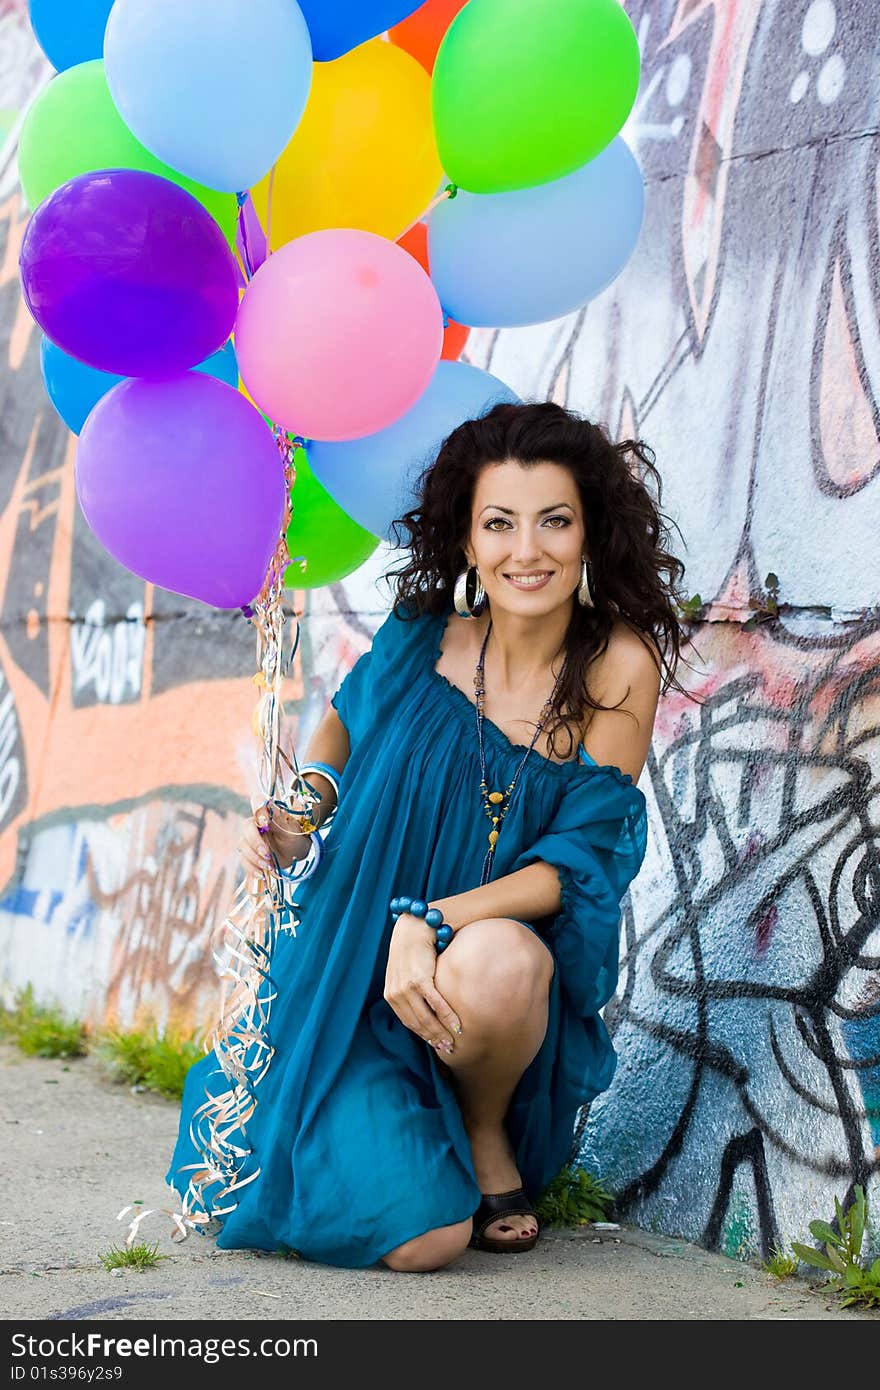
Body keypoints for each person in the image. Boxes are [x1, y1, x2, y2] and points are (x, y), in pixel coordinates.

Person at [166, 401, 688, 1272]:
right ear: (468, 539)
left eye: (555, 521)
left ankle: (484, 1136)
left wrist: (432, 918)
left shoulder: (618, 667)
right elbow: (341, 730)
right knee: (426, 1241)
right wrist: (300, 813)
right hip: (352, 980)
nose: (529, 551)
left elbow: (580, 862)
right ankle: (393, 1136)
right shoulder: (420, 639)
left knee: (505, 958)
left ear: (591, 530)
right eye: (500, 524)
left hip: (480, 1006)